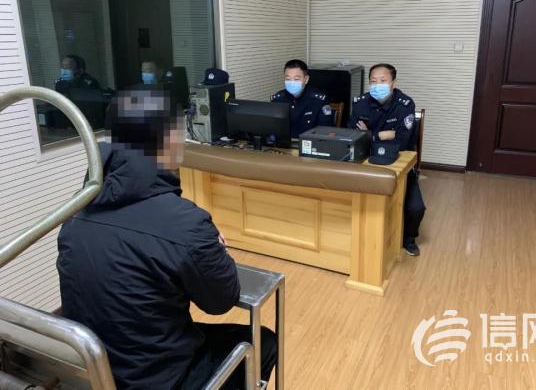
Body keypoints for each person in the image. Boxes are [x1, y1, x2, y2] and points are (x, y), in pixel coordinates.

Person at [57, 89, 276, 389]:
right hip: (158, 378)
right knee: (264, 341)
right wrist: (214, 248)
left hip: (94, 371)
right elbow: (221, 301)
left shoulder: (76, 208)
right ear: (171, 138)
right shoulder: (186, 223)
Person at [348, 63, 426, 256]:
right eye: (373, 81)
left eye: (383, 81)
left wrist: (370, 134)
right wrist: (386, 135)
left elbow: (402, 140)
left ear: (393, 83)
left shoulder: (405, 104)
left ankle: (408, 239)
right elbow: (352, 135)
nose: (377, 85)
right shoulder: (360, 102)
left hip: (397, 160)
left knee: (416, 208)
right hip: (365, 159)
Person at [271, 59, 334, 137]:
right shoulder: (278, 99)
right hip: (285, 143)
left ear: (306, 79)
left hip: (310, 142)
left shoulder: (319, 100)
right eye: (288, 79)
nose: (292, 82)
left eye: (296, 79)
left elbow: (326, 131)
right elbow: (272, 129)